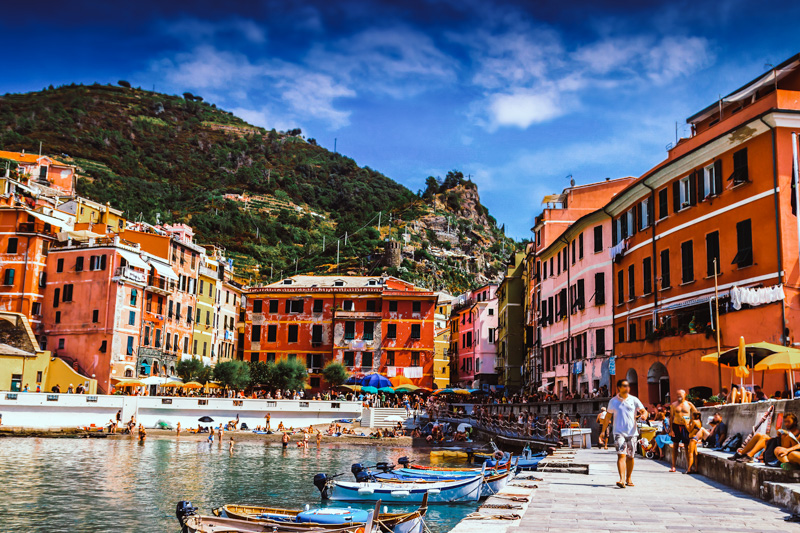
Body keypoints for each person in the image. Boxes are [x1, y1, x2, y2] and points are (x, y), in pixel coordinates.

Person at [601, 378, 647, 489]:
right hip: (618, 433)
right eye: (625, 386)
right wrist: (603, 431)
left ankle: (628, 478)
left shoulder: (634, 400)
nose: (627, 388)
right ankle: (621, 479)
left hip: (632, 433)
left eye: (628, 386)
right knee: (621, 455)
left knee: (630, 457)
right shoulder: (613, 401)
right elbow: (608, 417)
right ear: (619, 388)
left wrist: (644, 415)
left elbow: (643, 411)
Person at [669, 389, 698, 473]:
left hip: (686, 427)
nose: (679, 397)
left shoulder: (689, 404)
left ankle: (688, 466)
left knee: (686, 446)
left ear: (685, 395)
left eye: (680, 395)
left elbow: (696, 414)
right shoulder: (673, 405)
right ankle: (673, 466)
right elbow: (671, 417)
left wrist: (693, 424)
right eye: (677, 395)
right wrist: (671, 430)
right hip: (676, 426)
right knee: (675, 446)